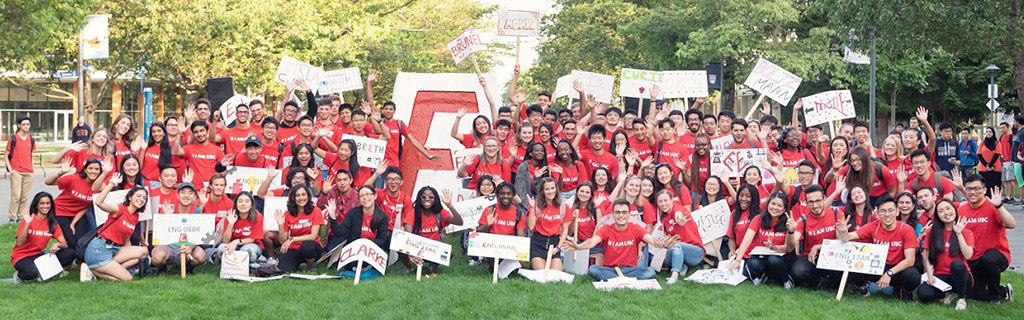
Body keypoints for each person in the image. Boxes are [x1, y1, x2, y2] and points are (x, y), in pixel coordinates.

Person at [562, 199, 678, 281]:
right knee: (593, 269)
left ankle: (619, 280)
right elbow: (592, 241)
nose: (621, 216)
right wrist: (579, 247)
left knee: (650, 272)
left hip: (630, 270)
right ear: (612, 214)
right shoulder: (606, 229)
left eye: (624, 212)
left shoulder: (636, 228)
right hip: (611, 269)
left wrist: (663, 244)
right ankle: (624, 280)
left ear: (629, 215)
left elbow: (652, 240)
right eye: (617, 212)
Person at [837, 195, 920, 300]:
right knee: (856, 262)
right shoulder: (873, 226)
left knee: (912, 275)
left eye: (891, 210)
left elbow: (910, 260)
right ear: (878, 214)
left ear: (897, 212)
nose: (887, 214)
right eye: (883, 211)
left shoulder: (906, 230)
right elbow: (848, 237)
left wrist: (889, 274)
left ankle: (905, 291)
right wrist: (843, 231)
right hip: (878, 266)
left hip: (898, 268)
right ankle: (861, 288)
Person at [958, 174, 1015, 304]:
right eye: (969, 189)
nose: (972, 192)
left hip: (997, 256)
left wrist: (999, 205)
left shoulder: (992, 207)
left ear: (984, 190)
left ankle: (995, 297)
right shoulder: (962, 209)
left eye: (976, 188)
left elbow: (1011, 224)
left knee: (989, 259)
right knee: (973, 294)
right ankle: (1004, 291)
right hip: (974, 258)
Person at [83, 181, 149, 281]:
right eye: (138, 196)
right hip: (100, 248)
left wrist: (132, 254)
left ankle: (101, 270)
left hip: (113, 249)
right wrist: (112, 184)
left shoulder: (135, 217)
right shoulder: (119, 209)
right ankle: (94, 271)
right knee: (128, 278)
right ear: (130, 197)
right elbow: (99, 202)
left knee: (143, 252)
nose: (141, 199)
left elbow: (126, 241)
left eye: (144, 198)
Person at [729, 192, 796, 287]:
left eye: (779, 206)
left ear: (785, 209)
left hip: (782, 256)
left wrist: (790, 231)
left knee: (774, 260)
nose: (775, 208)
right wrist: (738, 260)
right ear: (767, 204)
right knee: (753, 262)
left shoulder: (789, 222)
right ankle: (762, 275)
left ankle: (786, 280)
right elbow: (746, 240)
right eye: (773, 204)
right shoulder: (758, 219)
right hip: (762, 254)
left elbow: (789, 248)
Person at [918, 199, 975, 310]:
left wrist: (959, 234)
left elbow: (968, 255)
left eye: (948, 208)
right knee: (924, 294)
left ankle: (961, 298)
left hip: (961, 276)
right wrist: (930, 275)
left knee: (957, 264)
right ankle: (947, 293)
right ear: (938, 215)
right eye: (941, 211)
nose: (946, 213)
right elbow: (929, 258)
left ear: (954, 209)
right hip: (941, 276)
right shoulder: (932, 232)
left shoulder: (966, 232)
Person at [787, 185, 844, 289]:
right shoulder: (803, 219)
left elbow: (841, 240)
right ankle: (817, 280)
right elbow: (791, 244)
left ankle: (828, 282)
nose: (815, 205)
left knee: (837, 273)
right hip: (811, 257)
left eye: (818, 201)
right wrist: (790, 232)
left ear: (824, 199)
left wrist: (818, 247)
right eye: (811, 202)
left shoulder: (836, 213)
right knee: (797, 271)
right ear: (807, 203)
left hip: (832, 254)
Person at [10, 192, 74, 282]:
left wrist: (57, 245)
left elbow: (65, 244)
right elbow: (19, 243)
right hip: (21, 256)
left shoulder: (52, 223)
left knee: (70, 253)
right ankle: (19, 276)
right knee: (32, 273)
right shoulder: (29, 219)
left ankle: (46, 274)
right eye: (42, 203)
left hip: (38, 255)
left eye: (48, 203)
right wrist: (27, 224)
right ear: (36, 205)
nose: (45, 206)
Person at [401, 187, 464, 277]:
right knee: (399, 247)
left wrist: (449, 205)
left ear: (435, 199)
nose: (427, 199)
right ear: (419, 198)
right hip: (417, 247)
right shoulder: (413, 213)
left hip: (434, 248)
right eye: (424, 197)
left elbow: (459, 222)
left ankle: (433, 265)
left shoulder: (440, 213)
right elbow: (407, 236)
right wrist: (411, 254)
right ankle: (408, 267)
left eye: (431, 197)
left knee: (449, 252)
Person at [45, 158, 103, 246]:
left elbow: (85, 207)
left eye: (96, 169)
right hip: (60, 211)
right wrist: (61, 172)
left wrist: (73, 224)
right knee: (71, 242)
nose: (93, 171)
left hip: (76, 214)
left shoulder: (99, 187)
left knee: (81, 240)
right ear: (85, 170)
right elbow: (48, 182)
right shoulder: (74, 179)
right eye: (90, 168)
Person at [653, 190, 705, 284]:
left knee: (677, 245)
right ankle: (681, 266)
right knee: (667, 252)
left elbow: (678, 214)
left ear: (672, 200)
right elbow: (671, 240)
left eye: (666, 200)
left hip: (695, 252)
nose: (663, 204)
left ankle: (674, 276)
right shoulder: (665, 219)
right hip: (679, 251)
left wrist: (680, 219)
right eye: (660, 201)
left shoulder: (678, 208)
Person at [274, 186, 324, 272]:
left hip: (312, 247)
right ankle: (300, 263)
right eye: (297, 195)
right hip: (294, 248)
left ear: (308, 196)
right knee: (283, 269)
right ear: (293, 198)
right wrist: (281, 226)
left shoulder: (316, 211)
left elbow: (313, 236)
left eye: (303, 195)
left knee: (307, 246)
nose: (301, 198)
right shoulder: (287, 214)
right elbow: (282, 241)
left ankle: (310, 265)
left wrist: (292, 239)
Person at [527, 177, 571, 271]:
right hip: (538, 242)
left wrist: (558, 248)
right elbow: (531, 226)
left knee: (555, 274)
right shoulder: (536, 205)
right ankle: (534, 262)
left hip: (554, 243)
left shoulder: (563, 206)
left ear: (556, 189)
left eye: (552, 188)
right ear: (542, 191)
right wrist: (531, 208)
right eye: (547, 189)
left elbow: (565, 230)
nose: (550, 191)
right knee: (541, 273)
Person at [215, 192, 264, 263]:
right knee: (221, 248)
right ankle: (232, 266)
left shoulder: (257, 216)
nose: (243, 204)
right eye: (240, 201)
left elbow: (253, 239)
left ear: (251, 205)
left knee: (246, 251)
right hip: (232, 245)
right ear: (236, 204)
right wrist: (230, 224)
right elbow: (225, 241)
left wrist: (237, 241)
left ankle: (247, 265)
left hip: (252, 245)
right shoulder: (230, 215)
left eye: (247, 202)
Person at [6, 116, 36, 222]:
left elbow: (31, 154)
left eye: (28, 124)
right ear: (19, 125)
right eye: (23, 124)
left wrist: (32, 168)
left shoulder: (31, 140)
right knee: (16, 196)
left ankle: (20, 217)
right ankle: (12, 217)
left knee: (24, 197)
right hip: (16, 171)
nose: (26, 126)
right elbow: (6, 155)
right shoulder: (13, 139)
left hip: (28, 172)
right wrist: (11, 170)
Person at [977, 127, 1002, 197]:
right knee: (984, 186)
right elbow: (979, 154)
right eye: (987, 132)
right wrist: (986, 165)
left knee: (995, 187)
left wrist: (990, 165)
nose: (988, 133)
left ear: (993, 133)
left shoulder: (997, 143)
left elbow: (997, 154)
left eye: (990, 132)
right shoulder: (982, 143)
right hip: (983, 168)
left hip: (995, 168)